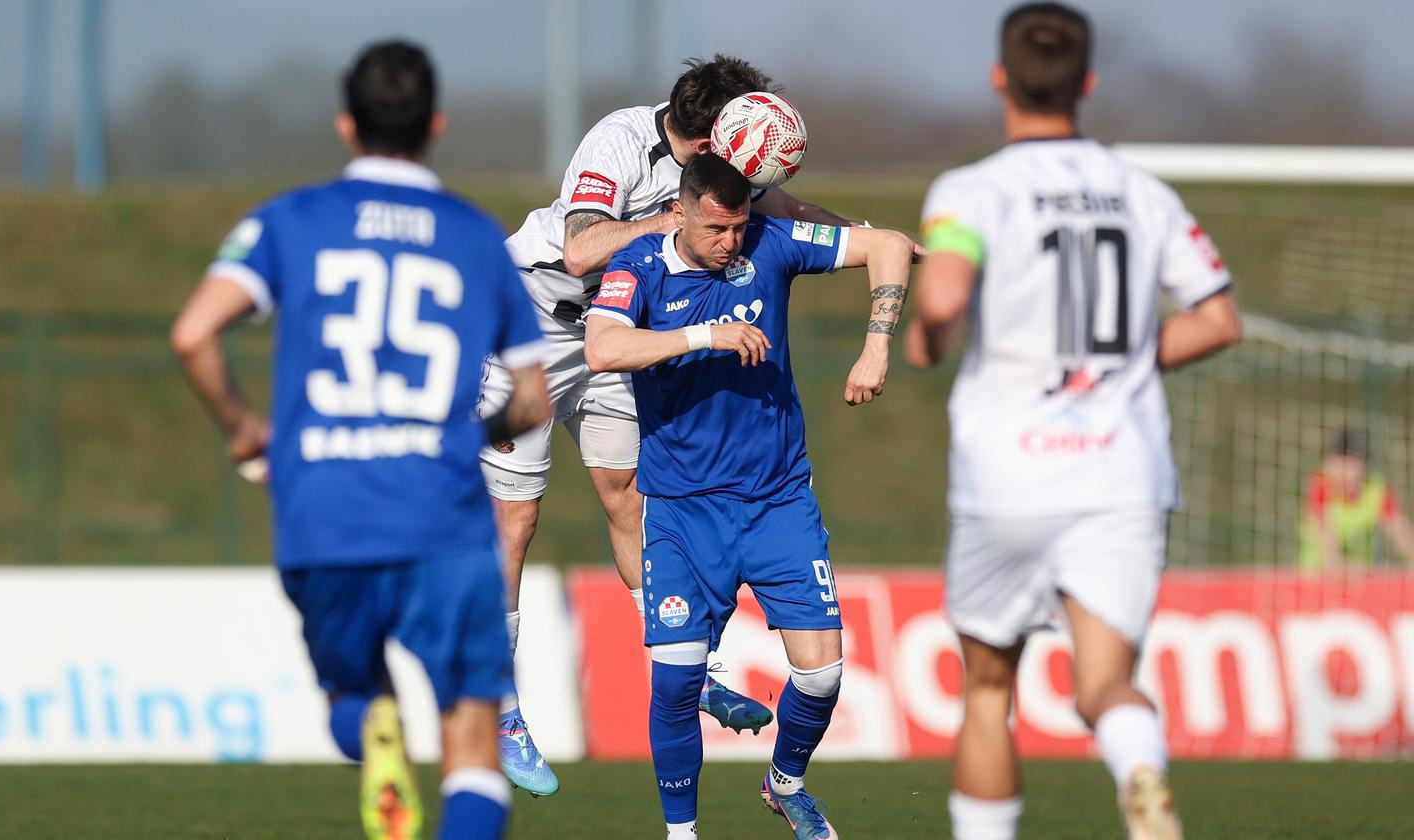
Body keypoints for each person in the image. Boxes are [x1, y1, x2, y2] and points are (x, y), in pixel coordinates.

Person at [170, 41, 550, 840]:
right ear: (436, 125)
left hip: (323, 512)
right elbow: (531, 400)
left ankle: (374, 730)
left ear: (346, 125)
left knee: (353, 699)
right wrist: (461, 429)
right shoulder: (478, 239)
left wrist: (244, 429)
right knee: (474, 740)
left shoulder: (290, 221)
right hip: (437, 517)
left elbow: (194, 333)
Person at [904, 4, 1244, 839]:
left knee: (988, 692)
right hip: (1119, 475)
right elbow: (1218, 317)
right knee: (1104, 686)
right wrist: (1120, 362)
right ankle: (1140, 775)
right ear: (1087, 83)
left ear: (999, 78)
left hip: (1008, 474)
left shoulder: (972, 189)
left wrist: (922, 338)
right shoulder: (1144, 192)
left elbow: (943, 297)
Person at [483, 54, 851, 795]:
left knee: (629, 492)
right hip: (534, 326)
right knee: (515, 521)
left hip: (620, 328)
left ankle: (698, 666)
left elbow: (782, 213)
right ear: (713, 131)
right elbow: (583, 246)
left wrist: (865, 240)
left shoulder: (725, 169)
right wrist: (675, 218)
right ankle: (500, 704)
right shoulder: (619, 142)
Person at [585, 153, 916, 840]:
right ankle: (682, 835)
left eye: (739, 227)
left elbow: (887, 244)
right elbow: (604, 348)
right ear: (679, 212)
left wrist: (876, 348)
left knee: (822, 676)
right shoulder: (639, 266)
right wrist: (706, 335)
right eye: (716, 229)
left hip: (776, 501)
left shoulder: (771, 241)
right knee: (676, 681)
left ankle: (785, 782)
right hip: (680, 509)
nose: (731, 241)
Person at [1298, 428, 1414, 570]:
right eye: (1337, 463)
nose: (1342, 471)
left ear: (1363, 464)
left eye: (1349, 463)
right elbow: (1326, 539)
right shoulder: (1321, 485)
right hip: (1317, 578)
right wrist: (1339, 563)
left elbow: (1400, 531)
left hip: (1361, 580)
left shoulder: (1377, 490)